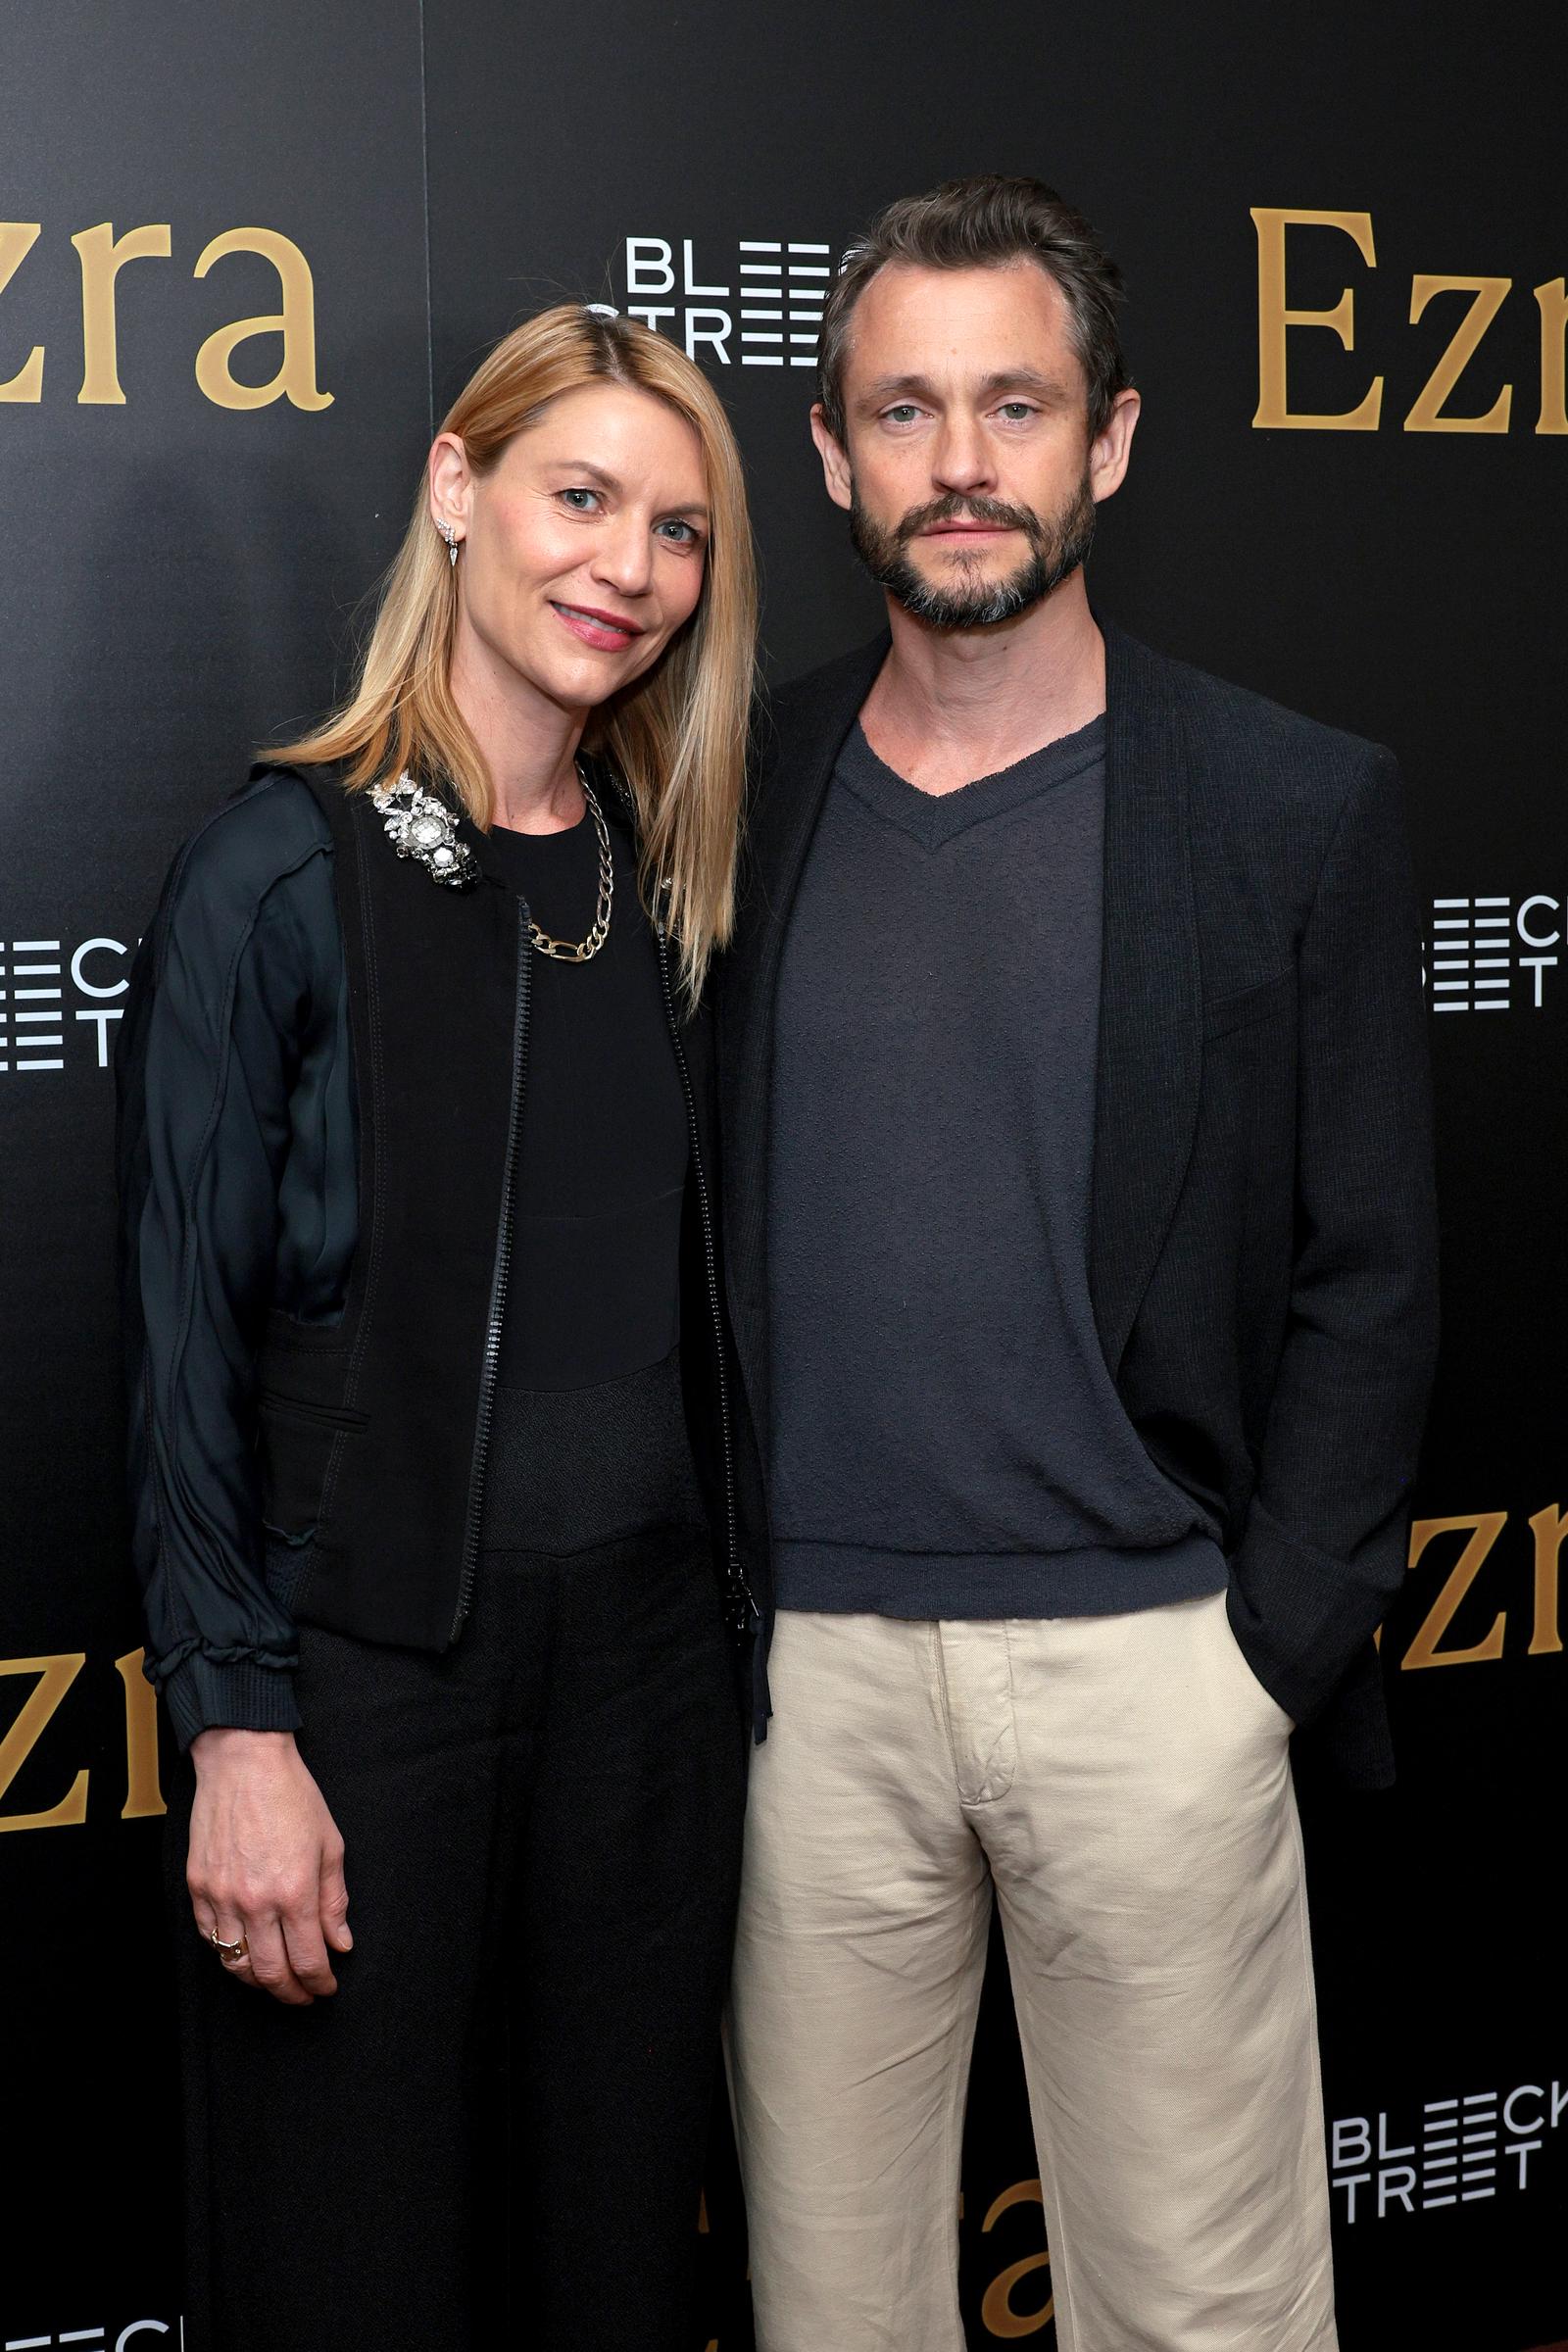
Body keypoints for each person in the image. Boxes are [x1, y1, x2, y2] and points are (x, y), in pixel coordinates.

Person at [717, 176, 1439, 2351]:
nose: (959, 462)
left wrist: (1255, 1666)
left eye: (1011, 406)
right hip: (810, 1696)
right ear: (831, 458)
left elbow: (1371, 1270)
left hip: (1155, 1674)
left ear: (1103, 442)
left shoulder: (1287, 806)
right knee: (830, 2306)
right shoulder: (729, 791)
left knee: (1198, 2313)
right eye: (905, 410)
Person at [118, 303, 760, 2351]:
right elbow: (178, 1361)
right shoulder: (271, 876)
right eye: (579, 497)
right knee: (350, 2283)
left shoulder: (669, 889)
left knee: (611, 2287)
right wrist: (234, 1730)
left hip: (651, 1707)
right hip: (368, 1699)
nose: (625, 569)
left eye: (675, 532)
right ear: (457, 489)